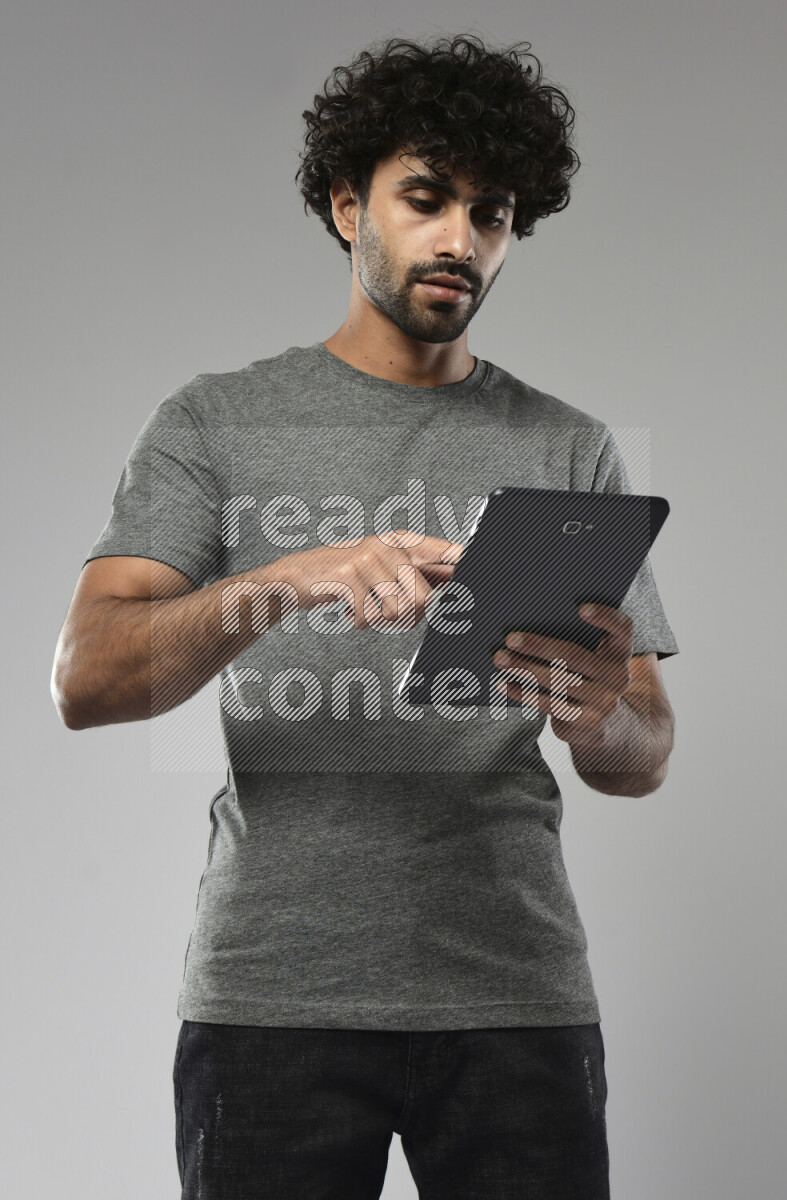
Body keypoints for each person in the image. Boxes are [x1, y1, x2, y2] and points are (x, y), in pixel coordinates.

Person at [51, 33, 678, 1200]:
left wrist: (601, 718)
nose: (460, 241)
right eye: (425, 199)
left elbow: (642, 752)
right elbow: (86, 678)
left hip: (514, 998)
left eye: (490, 215)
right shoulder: (216, 421)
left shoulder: (568, 445)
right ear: (348, 207)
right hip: (272, 997)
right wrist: (285, 578)